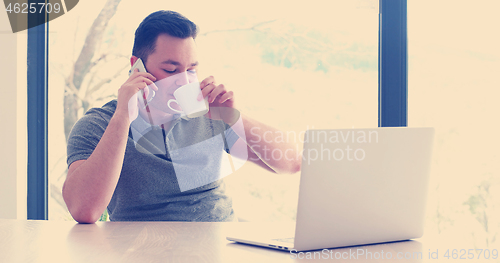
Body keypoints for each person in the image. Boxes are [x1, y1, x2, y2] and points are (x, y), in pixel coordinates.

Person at [62, 10, 301, 224]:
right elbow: (84, 211)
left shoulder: (209, 114)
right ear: (137, 67)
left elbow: (291, 164)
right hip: (140, 250)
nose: (184, 81)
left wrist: (232, 116)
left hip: (219, 246)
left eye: (191, 70)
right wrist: (124, 116)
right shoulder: (99, 124)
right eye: (170, 70)